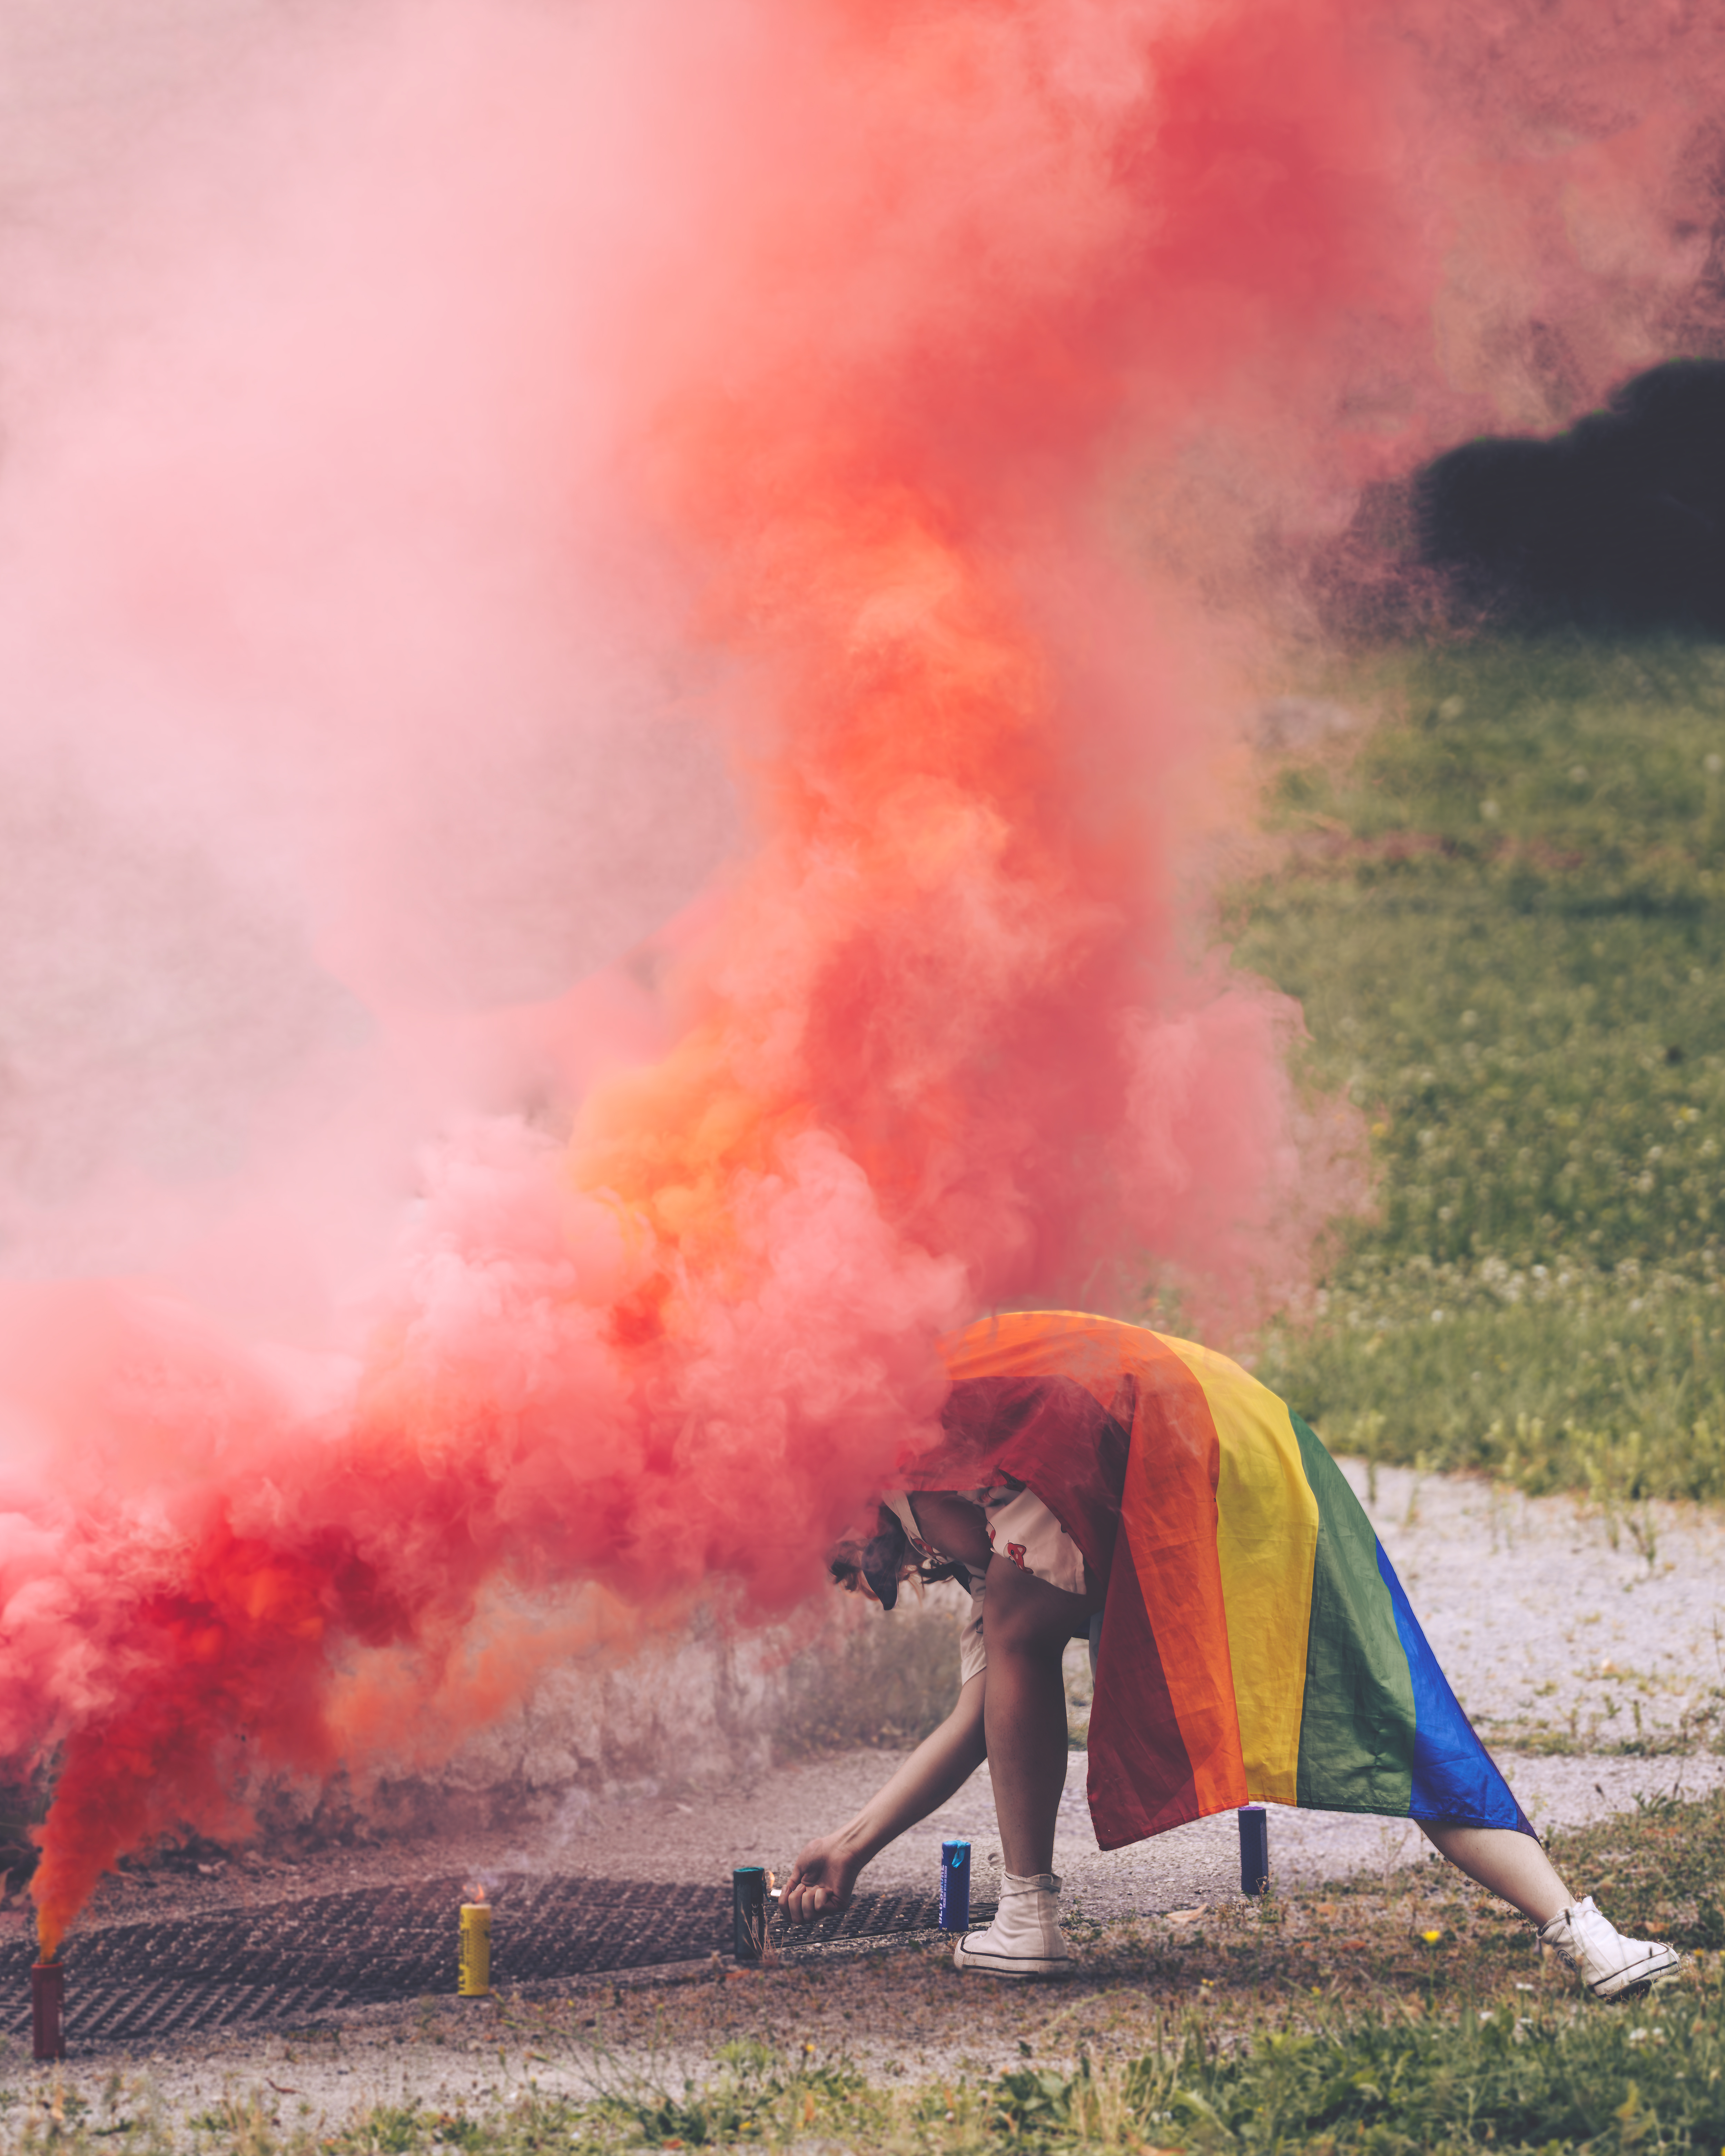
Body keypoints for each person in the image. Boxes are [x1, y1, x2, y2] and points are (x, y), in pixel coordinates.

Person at [781, 1311, 1681, 1999]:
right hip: (1239, 1435)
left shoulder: (918, 1465)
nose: (877, 1589)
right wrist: (853, 1846)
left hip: (1198, 1448)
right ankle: (1585, 1931)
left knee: (1375, 1702)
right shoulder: (976, 1484)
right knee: (1381, 1700)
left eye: (851, 1567)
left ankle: (1029, 1915)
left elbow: (1008, 1660)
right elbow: (985, 1711)